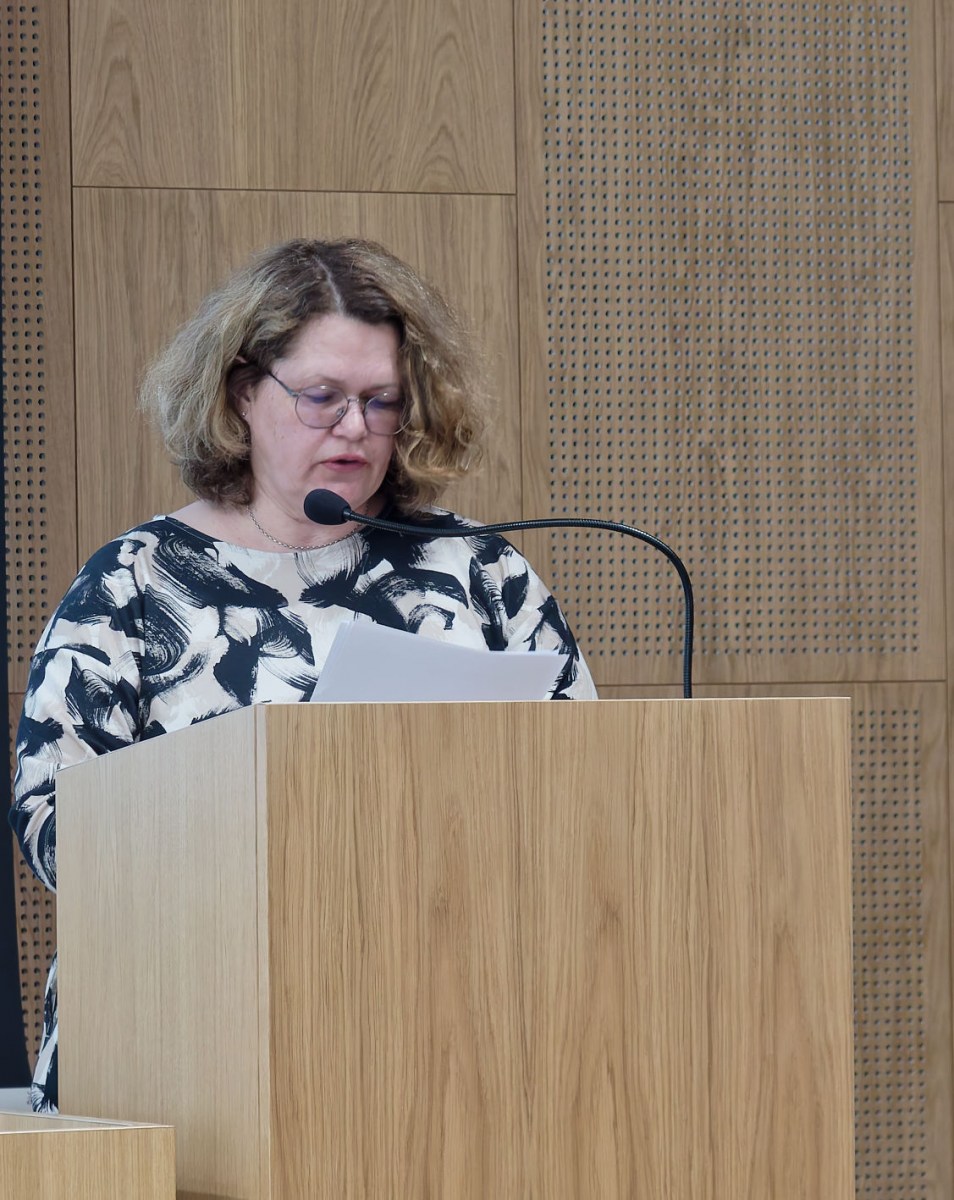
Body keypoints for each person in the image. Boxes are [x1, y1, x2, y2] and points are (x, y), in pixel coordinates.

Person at [9, 237, 597, 1112]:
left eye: (381, 401)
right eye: (322, 397)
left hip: (441, 1030)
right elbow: (51, 827)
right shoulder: (132, 585)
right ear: (242, 393)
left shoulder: (478, 571)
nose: (354, 428)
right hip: (182, 1028)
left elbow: (589, 782)